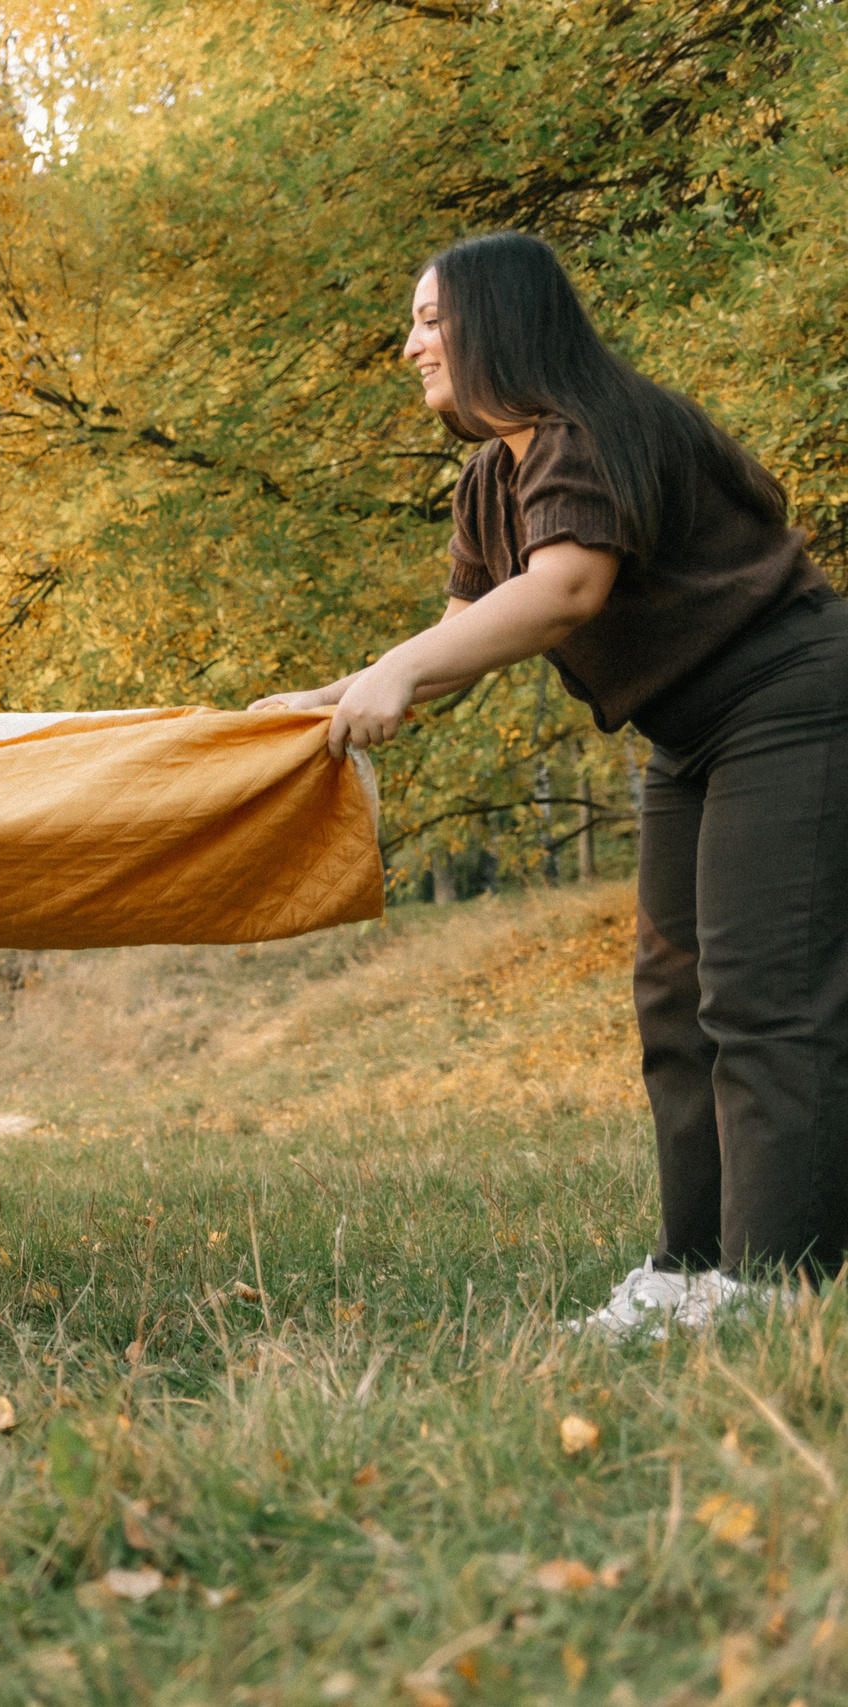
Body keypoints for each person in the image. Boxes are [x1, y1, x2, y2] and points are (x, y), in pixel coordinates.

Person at [253, 230, 842, 1335]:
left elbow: (565, 590)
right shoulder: (493, 477)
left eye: (431, 320)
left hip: (791, 698)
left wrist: (393, 675)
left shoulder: (589, 431)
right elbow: (459, 645)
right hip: (688, 731)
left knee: (764, 997)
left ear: (497, 322)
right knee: (674, 1003)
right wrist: (309, 710)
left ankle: (776, 1285)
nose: (411, 345)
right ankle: (689, 1271)